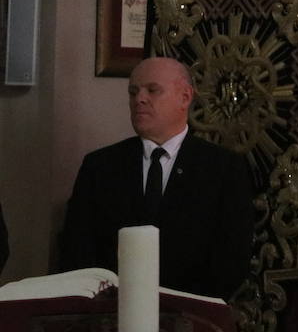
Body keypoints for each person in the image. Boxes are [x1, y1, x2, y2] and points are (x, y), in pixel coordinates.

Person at [58, 57, 253, 301]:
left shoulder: (222, 169)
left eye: (152, 90)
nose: (139, 99)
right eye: (133, 92)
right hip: (110, 314)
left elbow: (232, 258)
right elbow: (76, 252)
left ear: (184, 97)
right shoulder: (100, 166)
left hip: (191, 314)